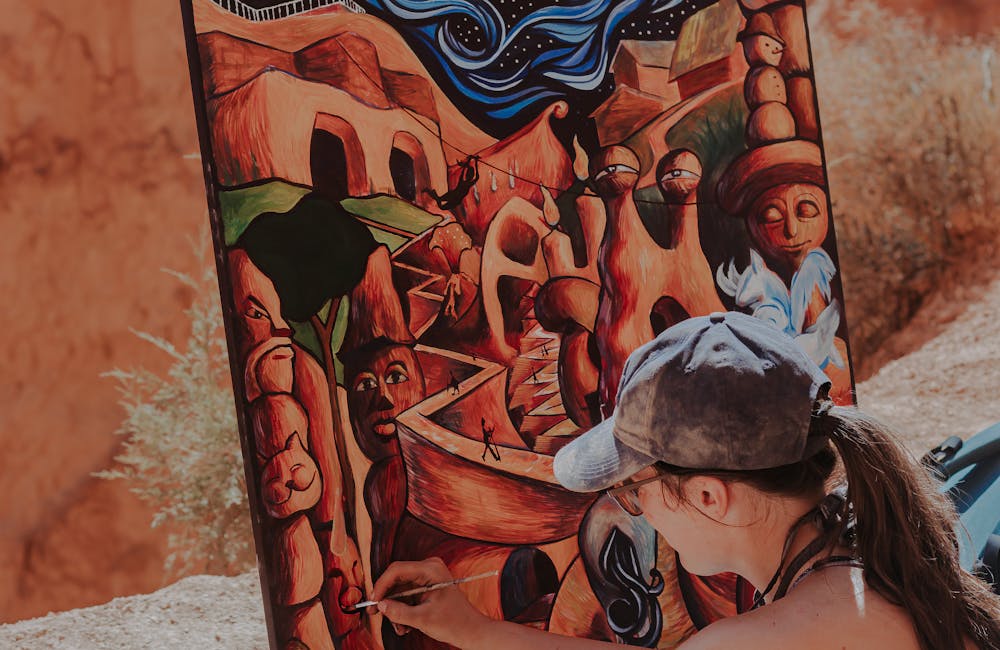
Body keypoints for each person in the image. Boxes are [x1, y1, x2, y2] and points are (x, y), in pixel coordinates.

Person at [372, 312, 1000, 649]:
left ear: (706, 496)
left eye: (632, 490)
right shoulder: (872, 552)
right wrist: (474, 629)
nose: (634, 510)